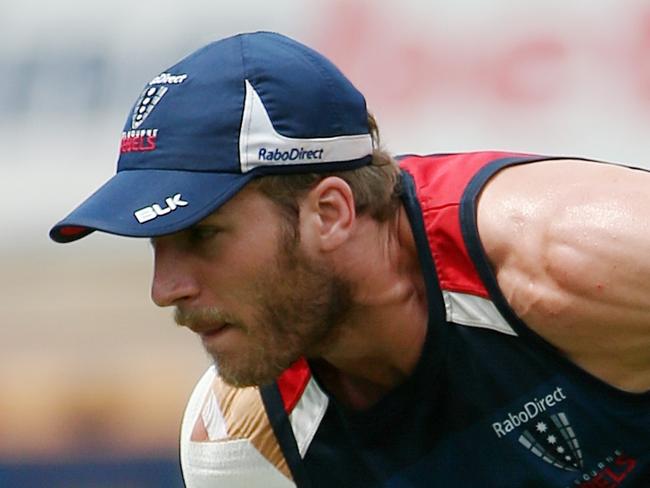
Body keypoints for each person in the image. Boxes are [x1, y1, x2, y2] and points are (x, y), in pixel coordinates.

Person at [50, 31, 649, 487]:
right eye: (157, 242)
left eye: (202, 235)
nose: (166, 289)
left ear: (330, 213)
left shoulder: (574, 255)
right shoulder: (243, 441)